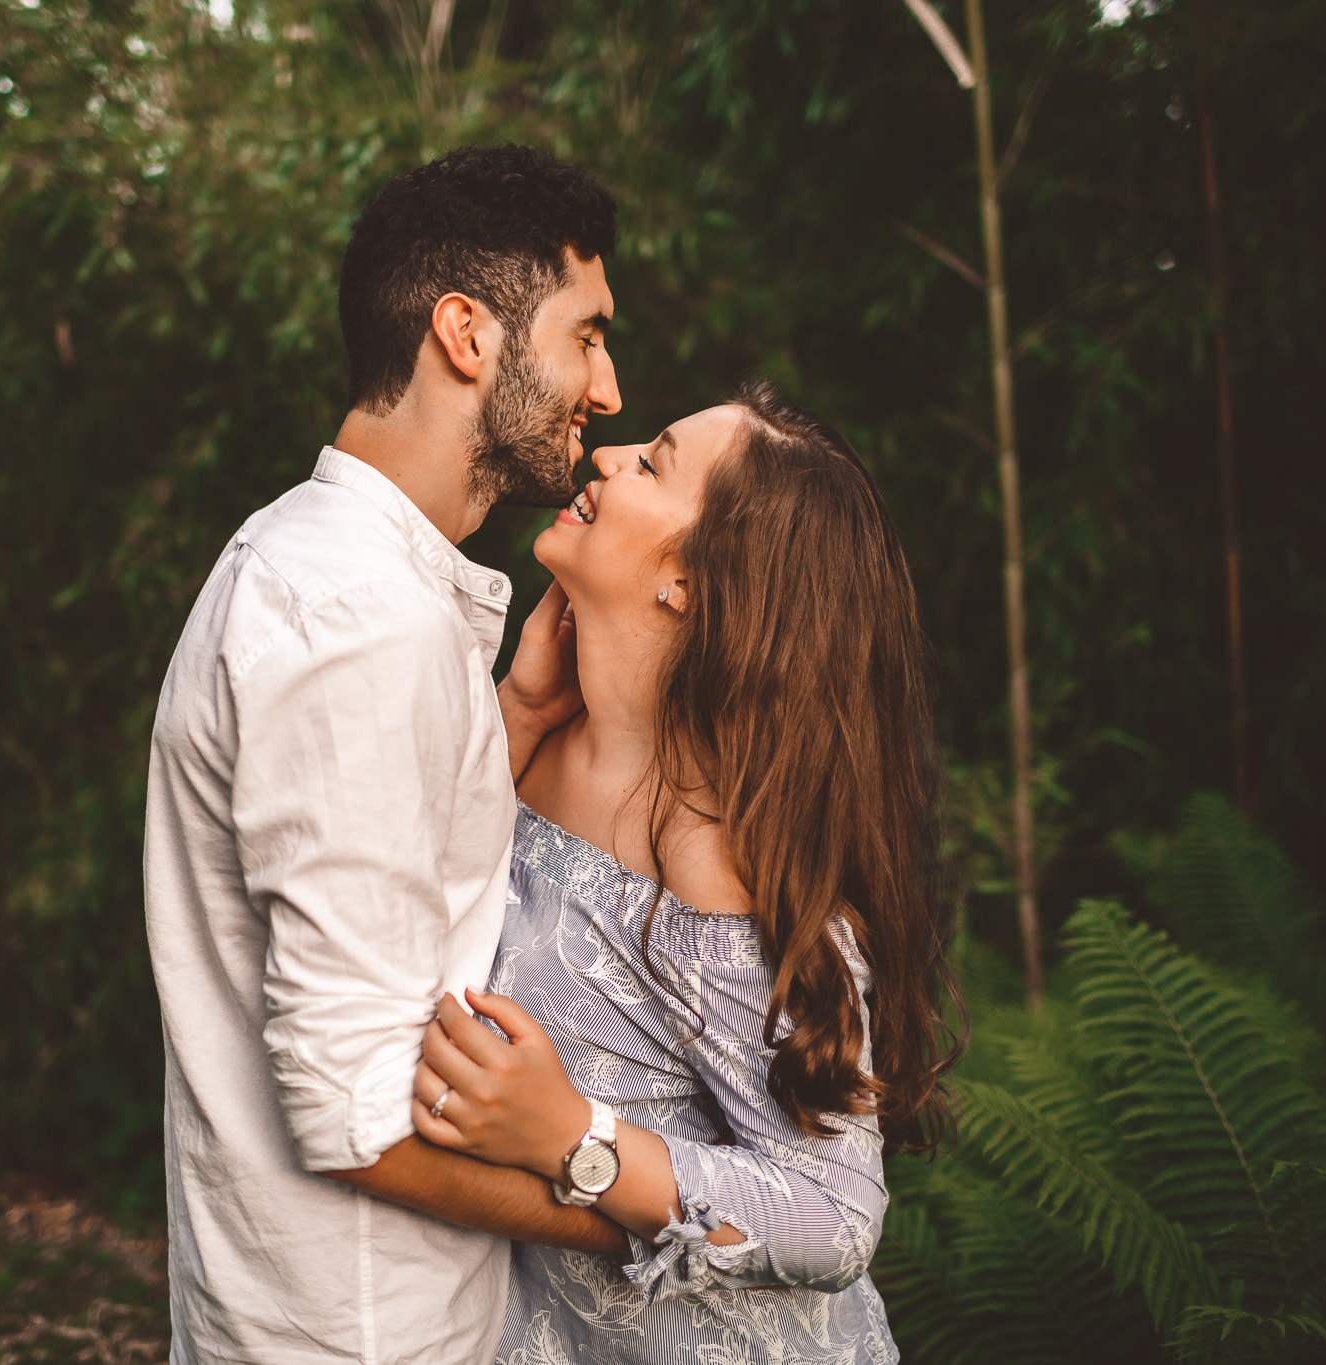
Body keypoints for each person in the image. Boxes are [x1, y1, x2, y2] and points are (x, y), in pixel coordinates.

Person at [142, 143, 630, 1365]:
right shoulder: (357, 625)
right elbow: (356, 1123)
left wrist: (509, 719)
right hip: (364, 1335)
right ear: (465, 335)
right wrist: (638, 1216)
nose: (608, 387)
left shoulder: (328, 575)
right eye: (586, 335)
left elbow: (398, 892)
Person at [411, 383, 964, 1364]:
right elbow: (405, 899)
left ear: (688, 583)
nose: (606, 454)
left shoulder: (724, 872)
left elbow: (835, 1218)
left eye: (654, 462)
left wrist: (571, 1136)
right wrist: (522, 711)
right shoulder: (530, 743)